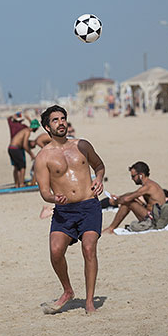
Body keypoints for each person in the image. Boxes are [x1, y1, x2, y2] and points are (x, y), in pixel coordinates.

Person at [34, 105, 105, 314]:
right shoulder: (43, 157)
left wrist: (99, 179)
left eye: (63, 118)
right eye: (55, 120)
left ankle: (90, 301)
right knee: (56, 251)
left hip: (89, 205)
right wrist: (54, 197)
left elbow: (99, 165)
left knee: (89, 248)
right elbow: (44, 192)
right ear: (48, 127)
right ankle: (68, 291)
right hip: (64, 211)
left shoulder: (82, 145)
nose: (61, 122)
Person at [102, 161, 167, 234]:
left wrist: (115, 202)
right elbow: (132, 195)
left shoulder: (148, 186)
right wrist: (118, 198)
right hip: (157, 216)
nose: (132, 179)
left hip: (155, 219)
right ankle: (111, 228)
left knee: (128, 203)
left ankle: (111, 228)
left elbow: (127, 199)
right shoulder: (150, 184)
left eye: (133, 176)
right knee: (130, 200)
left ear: (141, 175)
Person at [8, 120, 38, 187]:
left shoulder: (24, 130)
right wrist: (31, 154)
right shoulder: (27, 132)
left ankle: (17, 184)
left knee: (16, 167)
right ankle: (21, 184)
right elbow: (25, 145)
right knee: (22, 167)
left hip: (11, 148)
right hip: (16, 149)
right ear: (35, 127)